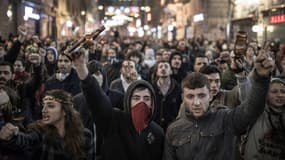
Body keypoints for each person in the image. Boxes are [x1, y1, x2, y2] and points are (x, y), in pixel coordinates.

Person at [163, 50, 274, 160]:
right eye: (190, 96)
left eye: (201, 96)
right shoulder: (173, 130)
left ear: (209, 95)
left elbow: (251, 110)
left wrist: (261, 79)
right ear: (183, 98)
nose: (196, 102)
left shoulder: (225, 119)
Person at [72, 48, 164, 160]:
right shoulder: (114, 121)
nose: (141, 102)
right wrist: (82, 69)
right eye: (136, 98)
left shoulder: (157, 133)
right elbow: (97, 99)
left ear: (152, 103)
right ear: (128, 101)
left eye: (146, 98)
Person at [0, 89, 95, 160]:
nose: (44, 110)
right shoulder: (39, 130)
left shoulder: (85, 135)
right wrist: (13, 136)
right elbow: (27, 140)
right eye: (43, 106)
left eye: (50, 106)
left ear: (65, 111)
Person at [243, 77, 285, 160]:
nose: (280, 95)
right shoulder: (257, 112)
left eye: (283, 92)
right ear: (266, 94)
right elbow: (246, 95)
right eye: (274, 92)